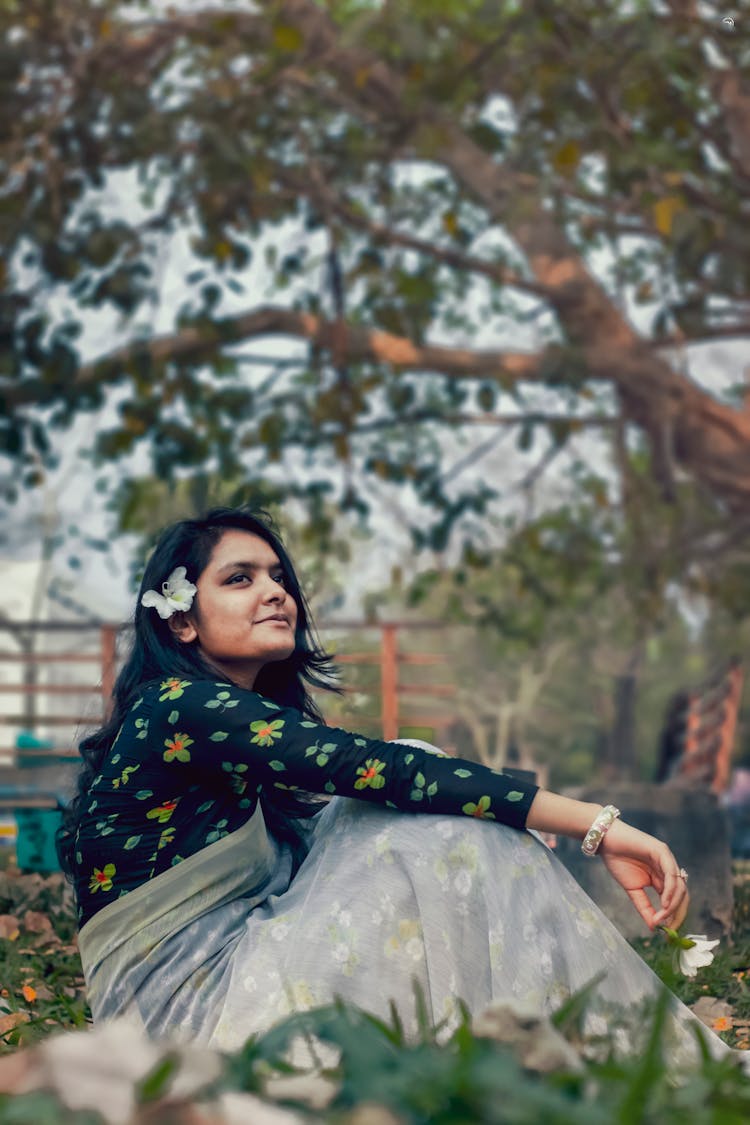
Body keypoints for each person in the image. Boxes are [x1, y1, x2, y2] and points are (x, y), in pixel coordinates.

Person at [57, 507, 725, 1063]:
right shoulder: (180, 706)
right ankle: (584, 1050)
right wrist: (596, 824)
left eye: (279, 576)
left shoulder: (229, 732)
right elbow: (388, 770)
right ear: (182, 620)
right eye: (240, 578)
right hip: (193, 1030)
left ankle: (560, 1048)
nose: (275, 591)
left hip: (232, 992)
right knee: (408, 784)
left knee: (397, 812)